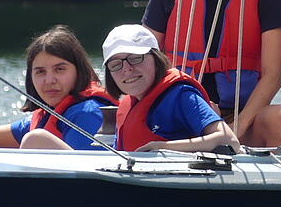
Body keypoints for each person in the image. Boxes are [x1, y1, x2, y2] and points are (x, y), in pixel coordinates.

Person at [142, 0, 281, 152]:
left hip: (239, 116)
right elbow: (144, 61)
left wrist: (233, 130)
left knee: (280, 117)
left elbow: (272, 76)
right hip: (180, 113)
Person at [0, 25, 117, 150]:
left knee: (35, 139)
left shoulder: (88, 113)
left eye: (59, 69)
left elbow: (84, 174)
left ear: (78, 71)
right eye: (40, 72)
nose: (49, 80)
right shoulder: (48, 114)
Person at [103, 24, 240, 153]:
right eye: (115, 65)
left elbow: (228, 140)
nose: (127, 69)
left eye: (135, 58)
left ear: (156, 59)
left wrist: (161, 148)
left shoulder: (182, 96)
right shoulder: (126, 107)